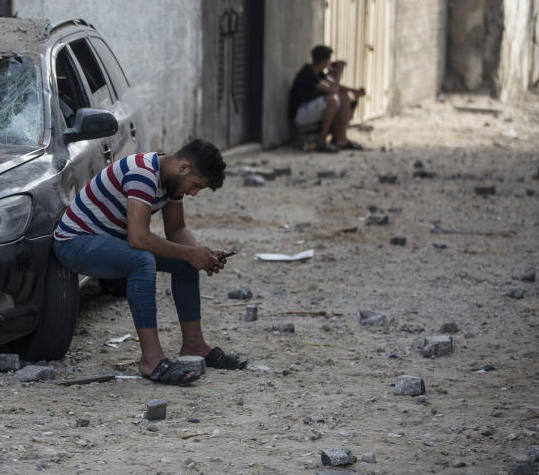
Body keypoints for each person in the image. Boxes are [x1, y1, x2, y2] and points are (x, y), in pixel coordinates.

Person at [53, 139, 247, 386]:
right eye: (196, 185)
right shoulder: (143, 173)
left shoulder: (171, 180)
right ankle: (151, 359)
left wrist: (200, 255)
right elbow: (139, 238)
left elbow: (177, 229)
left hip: (111, 242)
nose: (194, 192)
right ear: (184, 167)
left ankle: (194, 345)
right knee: (141, 260)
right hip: (74, 243)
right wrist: (190, 253)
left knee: (186, 261)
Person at [287, 44, 366, 152]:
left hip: (308, 112)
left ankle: (340, 139)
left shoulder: (318, 73)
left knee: (344, 98)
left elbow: (338, 88)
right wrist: (338, 73)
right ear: (324, 61)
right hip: (299, 115)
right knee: (332, 101)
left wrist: (355, 92)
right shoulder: (308, 73)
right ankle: (321, 142)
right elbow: (333, 90)